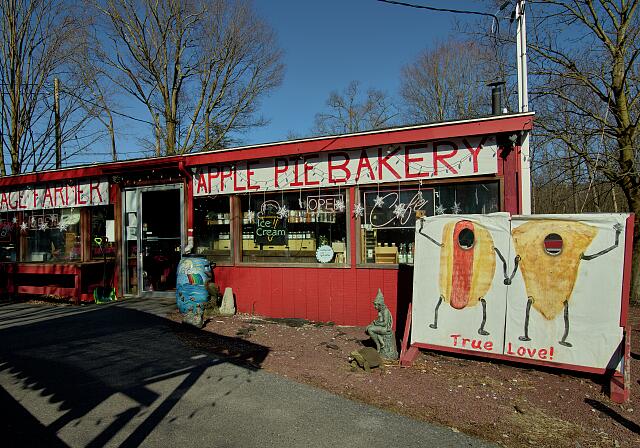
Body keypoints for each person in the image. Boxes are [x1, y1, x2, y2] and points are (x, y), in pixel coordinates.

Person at [366, 289, 397, 359]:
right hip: (381, 327)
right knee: (368, 328)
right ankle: (380, 340)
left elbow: (385, 323)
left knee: (370, 329)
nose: (374, 307)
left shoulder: (385, 311)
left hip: (385, 329)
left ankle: (378, 345)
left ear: (380, 304)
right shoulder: (380, 311)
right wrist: (374, 322)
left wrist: (376, 323)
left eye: (375, 305)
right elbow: (380, 320)